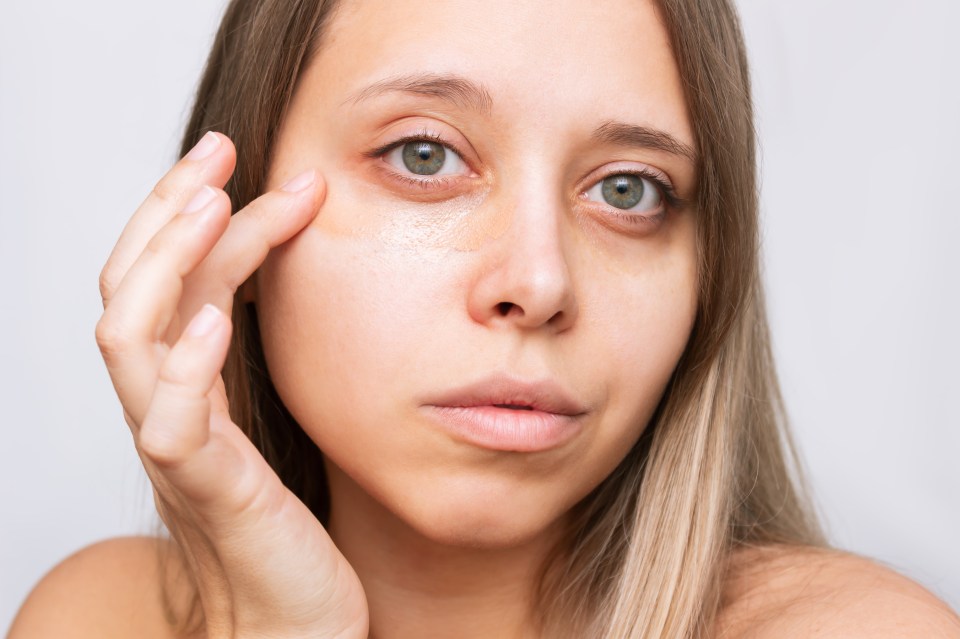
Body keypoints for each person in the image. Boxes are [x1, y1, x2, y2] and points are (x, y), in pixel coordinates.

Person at [9, 0, 960, 637]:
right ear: (233, 220)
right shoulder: (98, 614)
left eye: (629, 189)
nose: (540, 281)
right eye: (425, 156)